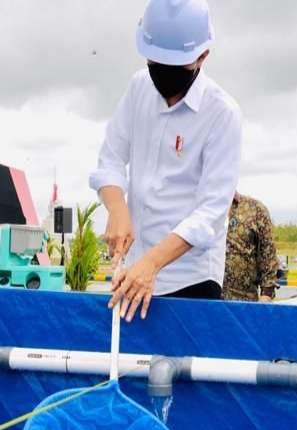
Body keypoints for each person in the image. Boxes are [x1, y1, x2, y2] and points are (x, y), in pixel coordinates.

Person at [91, 0, 242, 321]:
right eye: (155, 62)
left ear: (203, 56)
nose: (162, 75)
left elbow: (211, 212)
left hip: (191, 278)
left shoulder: (222, 114)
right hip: (134, 272)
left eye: (176, 67)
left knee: (180, 369)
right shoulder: (138, 89)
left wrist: (153, 263)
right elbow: (111, 159)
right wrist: (117, 209)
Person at [222, 192, 279, 302]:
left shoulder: (255, 209)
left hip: (243, 303)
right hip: (201, 303)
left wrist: (265, 296)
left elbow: (269, 257)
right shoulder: (195, 210)